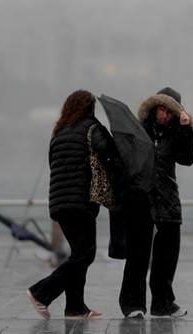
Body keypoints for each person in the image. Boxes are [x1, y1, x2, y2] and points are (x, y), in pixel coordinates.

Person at [27, 90, 125, 320]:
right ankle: (41, 292)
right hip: (81, 202)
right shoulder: (92, 128)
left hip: (60, 203)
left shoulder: (59, 132)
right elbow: (111, 157)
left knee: (78, 254)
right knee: (85, 253)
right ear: (90, 108)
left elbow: (55, 165)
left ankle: (75, 307)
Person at [118, 87, 193, 318]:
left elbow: (187, 159)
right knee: (138, 255)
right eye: (161, 109)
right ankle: (132, 304)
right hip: (140, 198)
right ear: (154, 108)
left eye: (169, 111)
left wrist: (186, 128)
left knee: (167, 256)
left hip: (168, 198)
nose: (164, 115)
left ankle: (163, 304)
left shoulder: (177, 132)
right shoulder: (140, 130)